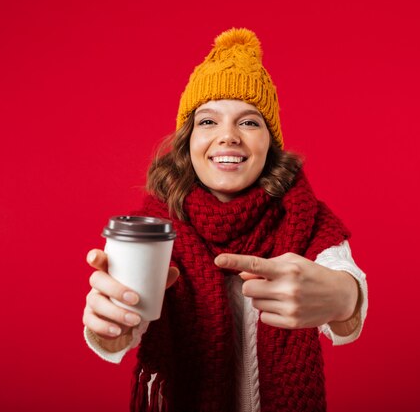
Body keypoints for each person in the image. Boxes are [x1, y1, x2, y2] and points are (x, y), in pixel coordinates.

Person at [82, 28, 368, 412]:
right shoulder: (149, 230)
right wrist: (109, 326)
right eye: (208, 122)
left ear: (270, 142)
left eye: (249, 122)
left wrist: (344, 297)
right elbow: (118, 323)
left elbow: (343, 282)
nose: (228, 137)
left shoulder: (308, 220)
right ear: (188, 139)